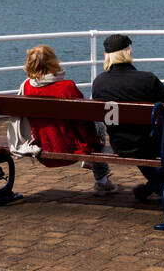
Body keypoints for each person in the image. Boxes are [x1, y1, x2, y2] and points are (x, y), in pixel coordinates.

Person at [90, 34, 164, 200]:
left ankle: (157, 187)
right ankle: (155, 187)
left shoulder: (99, 83)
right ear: (129, 53)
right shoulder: (147, 80)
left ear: (106, 56)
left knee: (138, 147)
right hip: (149, 143)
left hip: (120, 144)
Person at [20, 44, 116, 195]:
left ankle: (102, 179)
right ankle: (101, 181)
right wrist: (90, 148)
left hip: (43, 144)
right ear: (54, 62)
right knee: (97, 125)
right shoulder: (67, 87)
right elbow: (84, 122)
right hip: (68, 146)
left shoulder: (26, 87)